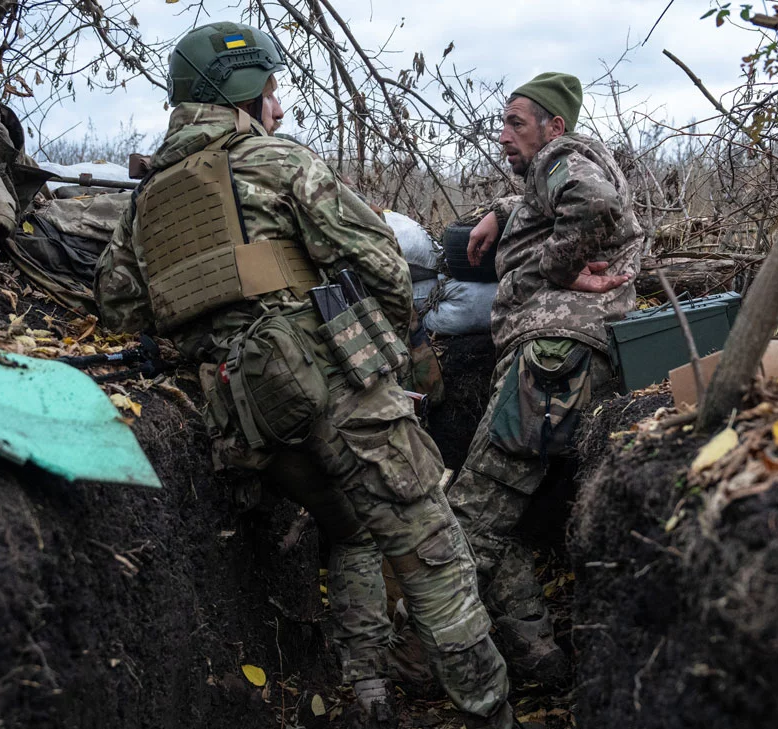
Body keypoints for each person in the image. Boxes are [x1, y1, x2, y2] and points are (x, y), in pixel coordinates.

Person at [93, 22, 512, 729]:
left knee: (348, 529)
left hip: (246, 418)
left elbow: (119, 302)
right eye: (271, 89)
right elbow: (382, 260)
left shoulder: (145, 204)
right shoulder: (277, 162)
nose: (280, 107)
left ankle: (370, 698)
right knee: (432, 548)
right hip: (339, 389)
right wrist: (377, 351)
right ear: (241, 94)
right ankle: (492, 710)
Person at [448, 72, 645, 683]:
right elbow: (561, 197)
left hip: (551, 359)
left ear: (554, 127)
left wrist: (557, 269)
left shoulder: (564, 155)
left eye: (517, 123)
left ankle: (435, 652)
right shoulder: (565, 163)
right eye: (501, 123)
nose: (503, 135)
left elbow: (593, 203)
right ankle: (537, 654)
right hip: (576, 359)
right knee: (501, 519)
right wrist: (500, 209)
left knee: (469, 517)